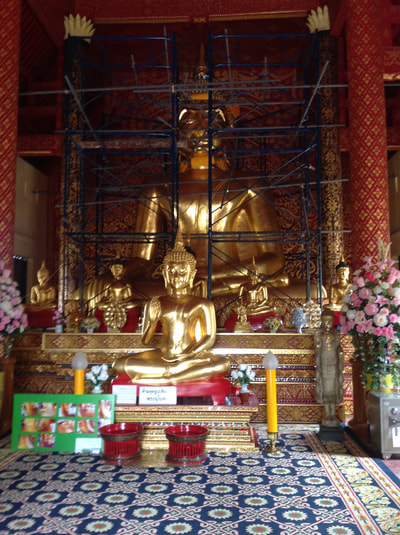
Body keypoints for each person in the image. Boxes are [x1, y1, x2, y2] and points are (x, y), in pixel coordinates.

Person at [126, 47, 286, 297]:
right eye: (190, 121)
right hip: (177, 285)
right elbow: (142, 260)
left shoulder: (249, 185)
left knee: (292, 288)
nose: (202, 130)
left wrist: (211, 278)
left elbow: (274, 260)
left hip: (229, 282)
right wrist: (115, 276)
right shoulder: (157, 188)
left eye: (212, 120)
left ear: (227, 132)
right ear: (177, 133)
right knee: (120, 291)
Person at [112, 231, 230, 384]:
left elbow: (209, 337)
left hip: (191, 356)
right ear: (165, 274)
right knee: (120, 364)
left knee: (223, 364)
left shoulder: (203, 304)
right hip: (163, 356)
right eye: (172, 272)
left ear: (191, 275)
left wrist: (189, 354)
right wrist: (152, 322)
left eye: (182, 272)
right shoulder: (156, 302)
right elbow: (145, 341)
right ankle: (176, 373)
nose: (177, 277)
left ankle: (171, 377)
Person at [314, 308, 344, 427]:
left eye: (330, 321)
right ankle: (327, 414)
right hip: (323, 362)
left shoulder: (335, 333)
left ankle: (333, 414)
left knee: (334, 386)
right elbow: (317, 347)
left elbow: (338, 346)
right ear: (322, 321)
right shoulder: (319, 333)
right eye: (325, 321)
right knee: (325, 387)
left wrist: (340, 352)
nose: (328, 323)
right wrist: (318, 346)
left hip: (333, 362)